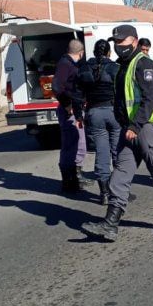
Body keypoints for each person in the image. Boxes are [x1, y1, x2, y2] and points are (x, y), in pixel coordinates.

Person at [81, 25, 153, 241]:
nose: (118, 46)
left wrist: (134, 126)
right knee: (121, 173)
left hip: (146, 127)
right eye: (116, 42)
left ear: (134, 41)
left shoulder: (144, 64)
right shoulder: (121, 66)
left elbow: (149, 99)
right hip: (129, 128)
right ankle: (110, 223)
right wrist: (123, 123)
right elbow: (120, 99)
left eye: (122, 41)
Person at [77, 39, 121, 205]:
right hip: (113, 111)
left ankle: (104, 193)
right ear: (109, 52)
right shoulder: (115, 68)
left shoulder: (85, 69)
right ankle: (118, 190)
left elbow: (77, 93)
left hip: (94, 112)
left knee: (101, 153)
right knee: (118, 151)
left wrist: (78, 114)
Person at [52, 39, 91, 193]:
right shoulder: (65, 64)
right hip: (69, 110)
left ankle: (76, 177)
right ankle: (69, 181)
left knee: (79, 144)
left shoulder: (68, 64)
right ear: (80, 53)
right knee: (71, 145)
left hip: (74, 109)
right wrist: (67, 104)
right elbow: (57, 87)